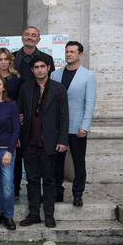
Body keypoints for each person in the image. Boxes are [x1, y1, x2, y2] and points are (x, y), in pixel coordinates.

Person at [18, 55, 69, 228]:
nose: (39, 69)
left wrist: (63, 140)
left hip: (50, 142)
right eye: (36, 67)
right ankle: (33, 214)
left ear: (48, 68)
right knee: (32, 180)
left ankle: (49, 215)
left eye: (42, 66)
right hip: (29, 142)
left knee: (49, 180)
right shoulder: (25, 88)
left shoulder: (58, 89)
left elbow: (64, 117)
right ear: (32, 70)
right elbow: (19, 114)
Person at [51, 41, 96, 206]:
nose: (68, 54)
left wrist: (85, 126)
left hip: (77, 127)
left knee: (78, 162)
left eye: (72, 51)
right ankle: (57, 193)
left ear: (80, 55)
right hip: (57, 127)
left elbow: (90, 103)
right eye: (67, 51)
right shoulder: (55, 75)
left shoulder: (88, 76)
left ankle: (78, 194)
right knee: (56, 163)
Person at [0, 48, 24, 198]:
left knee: (13, 157)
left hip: (12, 119)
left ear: (10, 61)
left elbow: (21, 98)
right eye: (0, 59)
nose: (3, 62)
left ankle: (15, 187)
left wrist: (19, 116)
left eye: (6, 59)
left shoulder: (16, 77)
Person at [0, 76, 20, 230]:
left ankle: (8, 216)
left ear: (3, 87)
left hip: (5, 151)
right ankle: (0, 213)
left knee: (7, 185)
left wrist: (9, 151)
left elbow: (16, 130)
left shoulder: (11, 105)